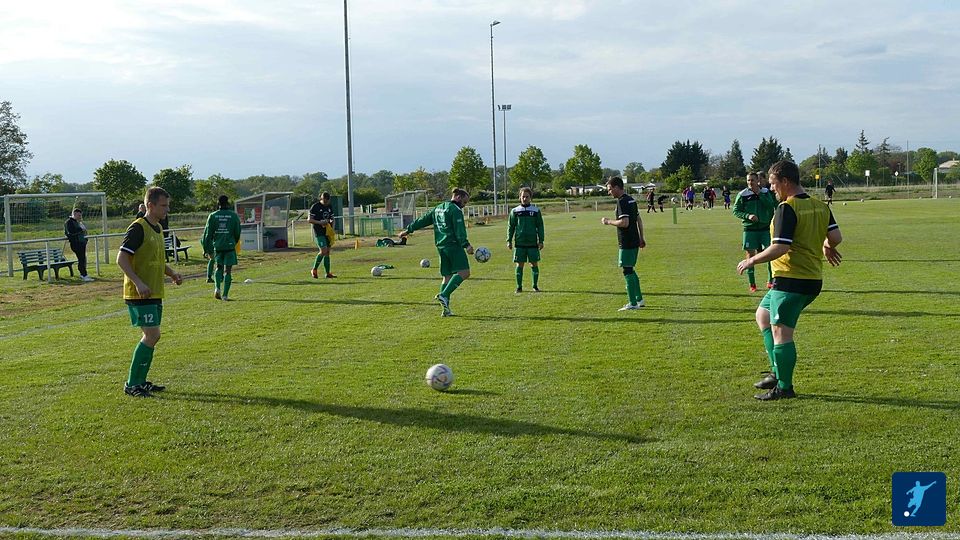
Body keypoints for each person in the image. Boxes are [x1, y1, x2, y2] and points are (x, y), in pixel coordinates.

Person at [736, 160, 842, 401]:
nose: (771, 188)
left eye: (773, 184)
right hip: (811, 278)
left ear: (785, 181)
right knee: (763, 316)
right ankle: (777, 371)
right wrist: (827, 246)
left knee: (782, 334)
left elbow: (780, 248)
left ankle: (784, 387)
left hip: (791, 279)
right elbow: (836, 236)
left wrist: (752, 260)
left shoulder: (787, 208)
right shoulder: (819, 206)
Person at [117, 187, 183, 398]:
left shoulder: (158, 229)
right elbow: (121, 258)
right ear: (150, 205)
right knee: (152, 335)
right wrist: (138, 282)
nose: (167, 209)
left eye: (167, 205)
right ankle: (132, 384)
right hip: (140, 293)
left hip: (154, 292)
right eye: (163, 205)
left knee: (152, 337)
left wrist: (172, 273)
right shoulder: (138, 228)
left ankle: (140, 381)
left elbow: (157, 260)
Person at [399, 188, 474, 317]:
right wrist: (466, 245)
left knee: (447, 277)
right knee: (464, 272)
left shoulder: (438, 208)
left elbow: (423, 220)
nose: (464, 205)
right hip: (453, 245)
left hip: (441, 246)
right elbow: (459, 230)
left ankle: (446, 310)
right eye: (464, 202)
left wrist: (408, 230)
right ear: (458, 197)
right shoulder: (455, 210)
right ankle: (444, 295)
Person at [601, 176, 646, 311]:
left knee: (627, 270)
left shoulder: (622, 202)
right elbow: (638, 219)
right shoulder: (631, 200)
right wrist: (641, 237)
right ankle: (639, 299)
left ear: (616, 187)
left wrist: (608, 221)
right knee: (630, 269)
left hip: (627, 241)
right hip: (634, 239)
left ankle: (632, 303)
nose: (609, 192)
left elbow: (624, 223)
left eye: (610, 189)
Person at [733, 172, 777, 292]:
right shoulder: (743, 194)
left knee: (770, 254)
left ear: (758, 181)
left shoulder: (766, 192)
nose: (750, 182)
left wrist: (760, 195)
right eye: (748, 180)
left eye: (752, 180)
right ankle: (752, 283)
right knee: (750, 256)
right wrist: (748, 216)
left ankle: (770, 281)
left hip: (765, 229)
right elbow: (736, 210)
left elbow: (771, 206)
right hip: (750, 230)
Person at [201, 195, 242, 301]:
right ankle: (225, 295)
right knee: (228, 271)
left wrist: (206, 248)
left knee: (218, 267)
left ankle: (217, 288)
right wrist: (234, 241)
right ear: (227, 203)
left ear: (218, 203)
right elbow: (237, 232)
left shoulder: (212, 216)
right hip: (229, 246)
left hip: (218, 246)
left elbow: (207, 234)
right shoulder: (233, 216)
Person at [507, 187, 545, 293]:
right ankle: (519, 287)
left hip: (532, 242)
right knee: (519, 265)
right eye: (523, 196)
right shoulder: (515, 211)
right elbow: (511, 226)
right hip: (520, 243)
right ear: (519, 197)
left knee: (534, 264)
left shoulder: (536, 211)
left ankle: (535, 286)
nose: (524, 198)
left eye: (527, 197)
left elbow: (540, 226)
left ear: (530, 198)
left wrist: (541, 240)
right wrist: (509, 240)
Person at [308, 192, 337, 279]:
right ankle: (314, 269)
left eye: (327, 200)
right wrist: (320, 222)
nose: (326, 202)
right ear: (321, 198)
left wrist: (332, 228)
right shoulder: (315, 206)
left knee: (327, 252)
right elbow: (309, 220)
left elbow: (332, 218)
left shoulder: (329, 206)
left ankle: (328, 273)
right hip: (319, 232)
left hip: (327, 232)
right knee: (323, 251)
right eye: (324, 200)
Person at [64, 208, 94, 282]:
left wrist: (85, 239)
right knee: (81, 259)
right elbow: (71, 232)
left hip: (81, 243)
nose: (80, 217)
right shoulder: (69, 222)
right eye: (79, 215)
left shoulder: (78, 222)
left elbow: (84, 232)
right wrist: (81, 229)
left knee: (83, 259)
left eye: (81, 215)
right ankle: (83, 275)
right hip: (76, 243)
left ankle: (84, 274)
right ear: (74, 214)